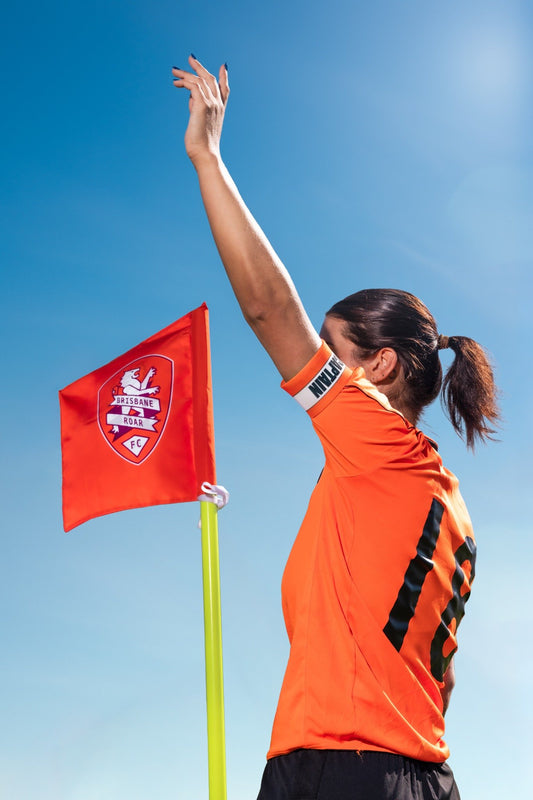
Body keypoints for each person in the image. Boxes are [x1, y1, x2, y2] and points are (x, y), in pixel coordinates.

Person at [172, 57, 499, 800]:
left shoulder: (373, 440)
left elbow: (267, 314)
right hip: (419, 775)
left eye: (335, 349)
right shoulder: (449, 507)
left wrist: (207, 157)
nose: (322, 365)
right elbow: (439, 682)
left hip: (338, 768)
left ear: (378, 367)